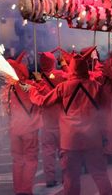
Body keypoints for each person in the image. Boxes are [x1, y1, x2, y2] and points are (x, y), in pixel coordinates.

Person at [30, 47, 112, 195]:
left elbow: (43, 101)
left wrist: (32, 91)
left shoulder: (64, 87)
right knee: (100, 175)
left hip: (70, 140)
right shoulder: (96, 86)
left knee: (70, 178)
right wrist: (106, 136)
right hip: (92, 137)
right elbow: (106, 113)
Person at [3, 51, 42, 195]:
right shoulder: (28, 86)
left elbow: (6, 108)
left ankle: (18, 189)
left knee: (17, 160)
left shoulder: (8, 89)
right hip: (29, 129)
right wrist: (39, 82)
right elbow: (40, 99)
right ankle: (26, 190)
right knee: (30, 160)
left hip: (14, 128)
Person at [37, 51, 67, 188]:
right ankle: (67, 176)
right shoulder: (60, 75)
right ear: (53, 62)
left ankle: (50, 179)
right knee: (64, 150)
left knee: (48, 152)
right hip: (61, 119)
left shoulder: (37, 79)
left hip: (46, 121)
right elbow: (73, 76)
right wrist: (64, 64)